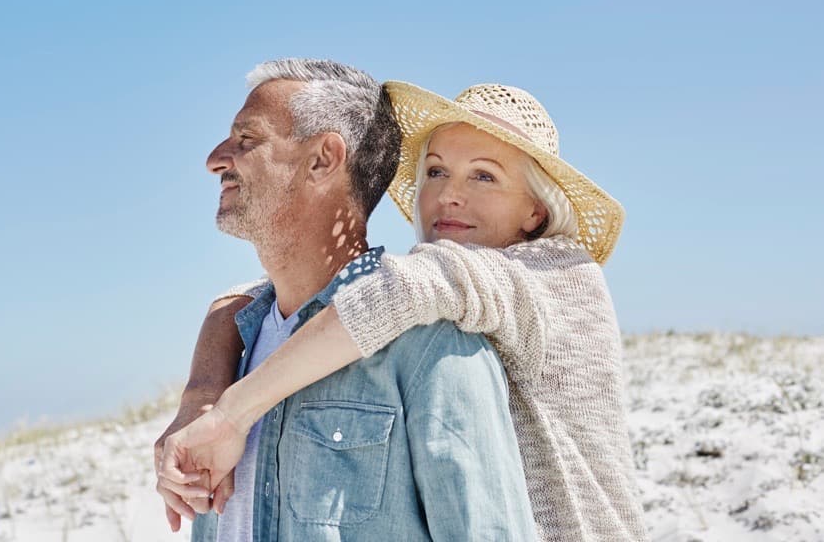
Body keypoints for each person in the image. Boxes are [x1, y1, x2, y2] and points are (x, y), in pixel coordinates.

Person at [158, 80, 649, 542]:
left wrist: (231, 414)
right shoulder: (462, 290)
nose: (449, 193)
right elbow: (248, 298)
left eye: (484, 175)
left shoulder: (558, 274)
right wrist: (201, 389)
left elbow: (398, 289)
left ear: (535, 212)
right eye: (436, 171)